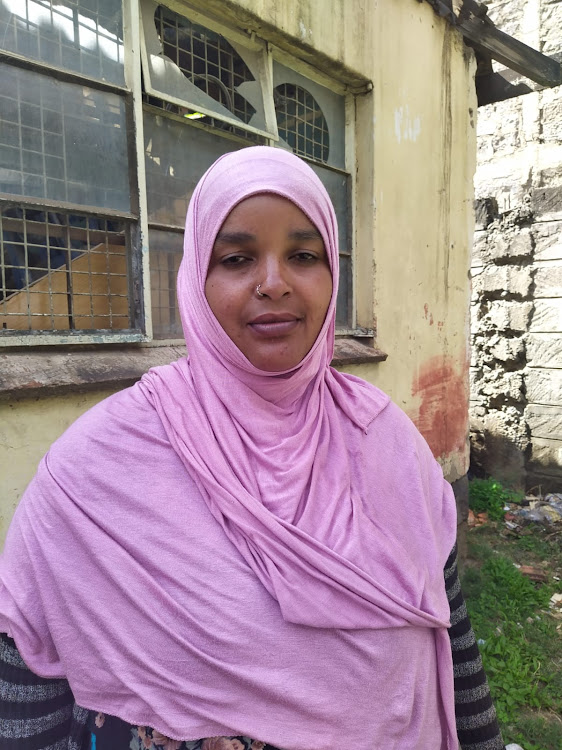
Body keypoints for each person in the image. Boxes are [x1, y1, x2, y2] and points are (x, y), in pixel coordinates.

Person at [0, 147, 504, 750]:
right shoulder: (93, 470)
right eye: (237, 258)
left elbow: (451, 637)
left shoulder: (385, 441)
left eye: (303, 256)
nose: (274, 283)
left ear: (332, 276)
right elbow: (22, 674)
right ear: (195, 279)